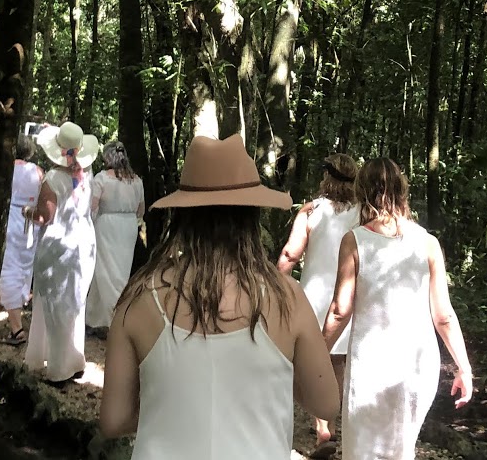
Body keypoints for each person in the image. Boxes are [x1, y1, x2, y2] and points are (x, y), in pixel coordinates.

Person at [99, 135, 340, 458]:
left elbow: (114, 420)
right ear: (252, 214)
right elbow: (326, 402)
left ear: (183, 213)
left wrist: (172, 402)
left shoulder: (141, 297)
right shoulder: (285, 298)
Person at [323, 158, 473, 460]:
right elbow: (443, 315)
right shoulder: (428, 242)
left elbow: (340, 309)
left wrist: (314, 352)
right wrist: (464, 367)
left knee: (360, 452)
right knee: (402, 451)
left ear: (361, 191)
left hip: (370, 366)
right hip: (418, 367)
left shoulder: (355, 240)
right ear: (402, 190)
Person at [277, 152, 360, 451]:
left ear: (326, 177)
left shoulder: (311, 211)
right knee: (337, 363)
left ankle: (320, 428)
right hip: (348, 299)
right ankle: (333, 427)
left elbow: (290, 254)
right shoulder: (365, 214)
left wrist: (273, 284)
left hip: (313, 297)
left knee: (305, 361)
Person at [22, 121, 98, 384]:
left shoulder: (53, 179)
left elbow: (45, 216)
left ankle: (58, 368)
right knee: (74, 301)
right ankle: (74, 359)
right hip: (85, 242)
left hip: (60, 243)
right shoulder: (86, 174)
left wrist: (26, 212)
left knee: (55, 303)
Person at [86, 139, 145, 335]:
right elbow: (140, 209)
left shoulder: (101, 179)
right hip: (128, 227)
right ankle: (94, 318)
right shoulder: (137, 180)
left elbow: (92, 207)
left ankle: (118, 319)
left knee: (106, 273)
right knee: (117, 271)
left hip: (107, 226)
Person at [0, 133, 44, 345]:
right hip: (30, 221)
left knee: (9, 267)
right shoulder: (38, 171)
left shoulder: (6, 169)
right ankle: (12, 309)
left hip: (10, 218)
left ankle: (17, 329)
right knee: (23, 266)